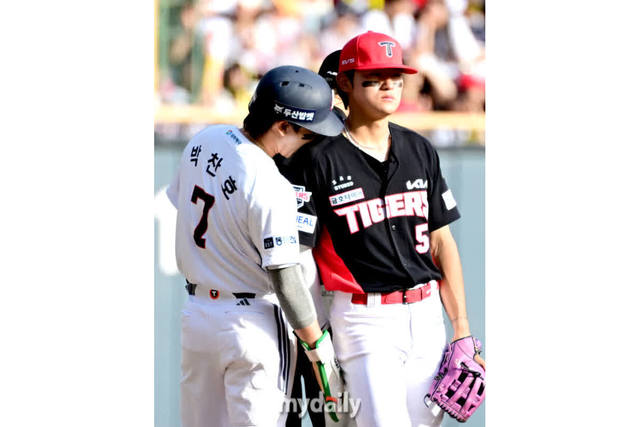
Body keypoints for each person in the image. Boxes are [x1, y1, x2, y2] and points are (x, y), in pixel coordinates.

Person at [282, 31, 485, 426]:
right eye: (375, 77)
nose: (390, 84)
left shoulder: (419, 149)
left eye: (396, 75)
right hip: (364, 320)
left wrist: (461, 327)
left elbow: (442, 243)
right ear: (345, 83)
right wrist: (317, 336)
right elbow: (301, 256)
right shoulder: (316, 159)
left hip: (427, 316)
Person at [166, 65, 344, 427]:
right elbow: (286, 280)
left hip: (197, 315)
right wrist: (317, 348)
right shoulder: (271, 183)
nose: (310, 142)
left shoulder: (204, 139)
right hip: (251, 323)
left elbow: (180, 202)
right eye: (308, 134)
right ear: (282, 127)